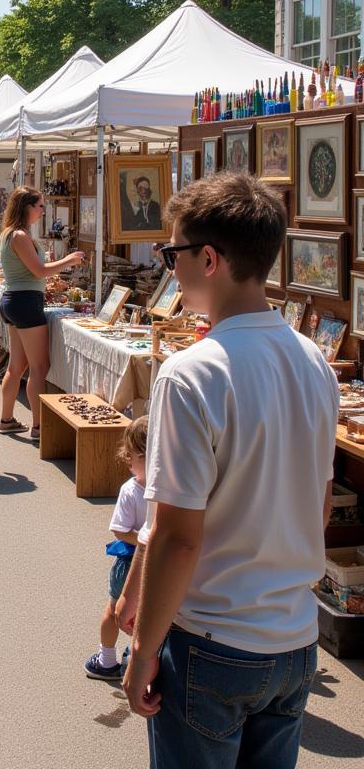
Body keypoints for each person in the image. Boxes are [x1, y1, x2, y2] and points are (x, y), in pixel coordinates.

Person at [116, 173, 337, 769]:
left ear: (208, 259)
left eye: (172, 253)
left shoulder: (191, 373)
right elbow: (317, 504)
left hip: (213, 638)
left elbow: (176, 535)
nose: (170, 267)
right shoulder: (315, 361)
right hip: (293, 638)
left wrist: (142, 651)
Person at [0, 189, 86, 441]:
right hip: (24, 302)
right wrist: (69, 260)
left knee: (17, 366)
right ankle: (38, 426)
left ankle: (7, 419)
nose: (42, 210)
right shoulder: (20, 235)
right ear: (26, 207)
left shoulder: (10, 234)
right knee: (39, 366)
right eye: (39, 205)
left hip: (15, 300)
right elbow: (38, 271)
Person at [85, 417, 148, 681]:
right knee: (148, 616)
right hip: (157, 561)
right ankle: (133, 661)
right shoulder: (173, 488)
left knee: (114, 610)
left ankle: (106, 660)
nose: (126, 460)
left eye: (130, 455)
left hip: (131, 560)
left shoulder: (130, 490)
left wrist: (145, 542)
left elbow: (120, 529)